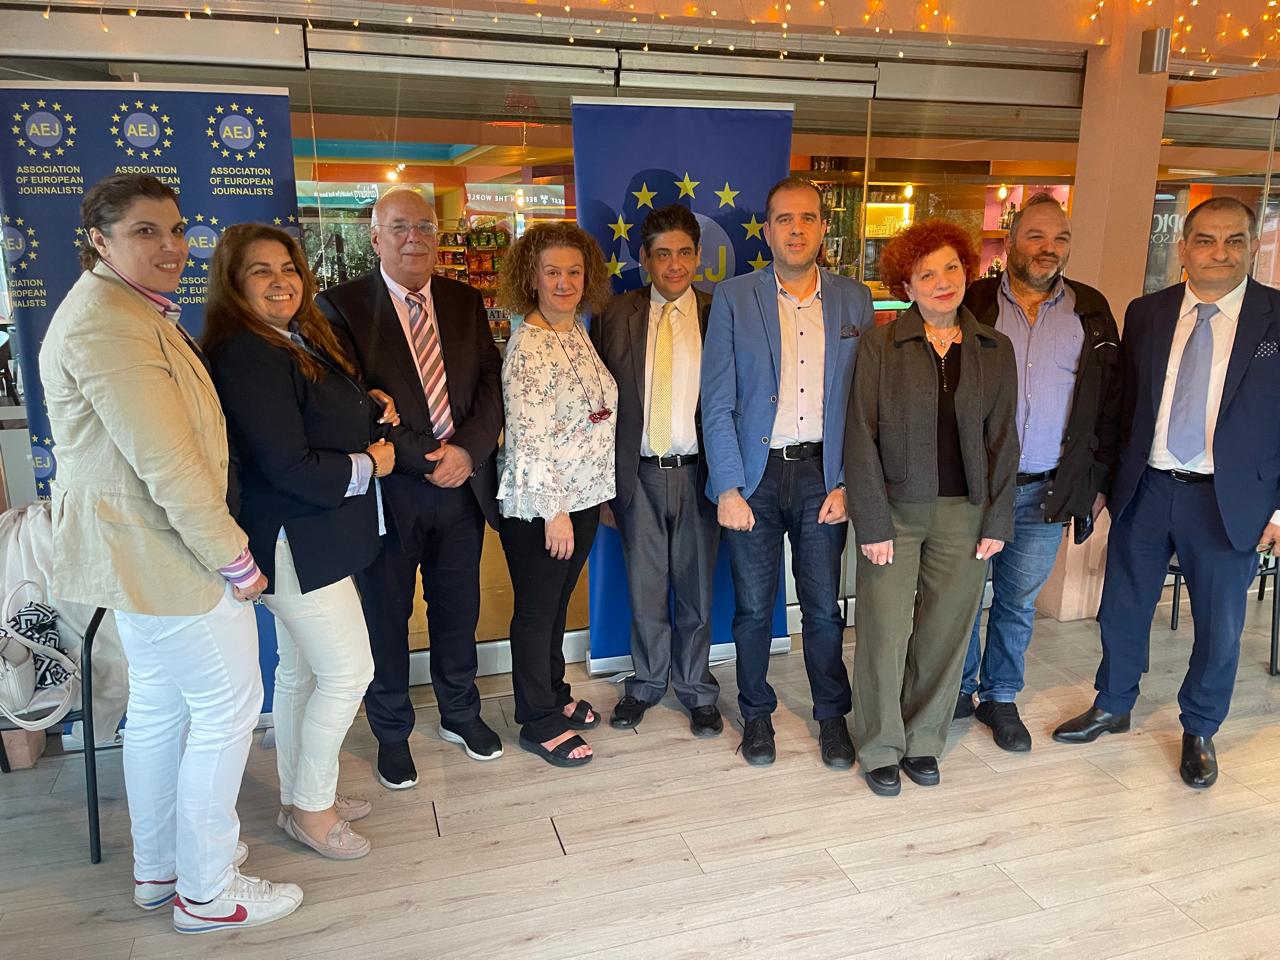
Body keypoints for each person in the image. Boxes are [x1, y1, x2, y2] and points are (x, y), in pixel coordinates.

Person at [39, 174, 301, 932]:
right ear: (101, 240)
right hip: (169, 554)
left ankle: (160, 872)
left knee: (159, 708)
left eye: (177, 229)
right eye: (146, 231)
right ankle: (209, 894)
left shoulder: (120, 308)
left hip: (143, 555)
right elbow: (168, 463)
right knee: (226, 711)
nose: (171, 245)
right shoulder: (109, 322)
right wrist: (235, 558)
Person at [1054, 197, 1280, 789]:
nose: (1219, 252)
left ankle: (1200, 727)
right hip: (1147, 487)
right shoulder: (1147, 312)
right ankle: (1113, 703)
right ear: (1183, 248)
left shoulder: (1275, 317)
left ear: (1254, 246)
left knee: (1220, 624)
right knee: (1122, 605)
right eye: (1206, 240)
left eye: (1234, 240)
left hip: (1229, 500)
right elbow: (1123, 404)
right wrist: (1103, 484)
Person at [204, 223, 403, 860]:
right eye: (261, 271)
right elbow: (288, 465)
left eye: (288, 267)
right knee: (349, 673)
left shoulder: (291, 336)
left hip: (314, 536)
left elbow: (310, 413)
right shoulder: (247, 352)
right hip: (295, 540)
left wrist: (366, 404)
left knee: (297, 674)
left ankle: (301, 791)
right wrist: (371, 463)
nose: (280, 281)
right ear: (234, 283)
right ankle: (311, 811)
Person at [316, 188, 505, 788]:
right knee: (387, 616)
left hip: (462, 489)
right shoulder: (340, 306)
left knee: (458, 608)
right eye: (399, 227)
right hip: (391, 491)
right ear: (375, 237)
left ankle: (460, 713)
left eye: (424, 225)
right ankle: (392, 731)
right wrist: (430, 460)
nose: (413, 238)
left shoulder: (464, 300)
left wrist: (468, 452)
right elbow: (350, 400)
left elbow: (490, 385)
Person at [700, 176, 874, 769]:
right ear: (768, 230)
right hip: (755, 478)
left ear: (823, 228)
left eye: (807, 218)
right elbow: (717, 400)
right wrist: (727, 486)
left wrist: (847, 482)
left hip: (823, 475)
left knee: (823, 608)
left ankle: (832, 717)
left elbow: (863, 403)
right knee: (753, 609)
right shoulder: (733, 297)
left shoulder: (854, 300)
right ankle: (756, 716)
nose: (796, 229)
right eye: (784, 219)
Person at [845, 219, 1018, 797]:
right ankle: (879, 744)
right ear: (907, 285)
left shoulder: (995, 349)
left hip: (965, 514)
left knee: (945, 634)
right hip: (894, 514)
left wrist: (997, 517)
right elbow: (860, 435)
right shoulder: (881, 345)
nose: (942, 282)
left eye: (951, 268)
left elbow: (1004, 441)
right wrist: (872, 521)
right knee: (884, 632)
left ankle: (923, 739)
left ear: (967, 270)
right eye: (926, 274)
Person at [957, 193, 1124, 752]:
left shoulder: (1091, 310)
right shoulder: (974, 301)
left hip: (1046, 489)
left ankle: (1000, 697)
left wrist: (1096, 483)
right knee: (960, 595)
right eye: (1036, 236)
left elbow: (1110, 404)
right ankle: (957, 689)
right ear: (1010, 241)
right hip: (974, 489)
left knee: (1017, 603)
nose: (1048, 248)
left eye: (1060, 239)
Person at [589, 205, 723, 737]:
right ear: (644, 258)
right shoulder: (614, 314)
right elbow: (598, 405)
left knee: (696, 590)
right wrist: (604, 487)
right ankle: (645, 683)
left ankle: (695, 688)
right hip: (638, 474)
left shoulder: (720, 312)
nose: (674, 265)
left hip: (700, 474)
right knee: (645, 589)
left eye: (684, 253)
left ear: (698, 256)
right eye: (662, 254)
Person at [495, 221, 617, 767]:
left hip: (583, 496)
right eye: (552, 272)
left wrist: (595, 495)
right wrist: (555, 513)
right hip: (545, 507)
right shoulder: (529, 344)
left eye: (573, 271)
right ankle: (537, 719)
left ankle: (553, 693)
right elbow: (529, 438)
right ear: (532, 278)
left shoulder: (574, 329)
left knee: (556, 605)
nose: (564, 282)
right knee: (536, 612)